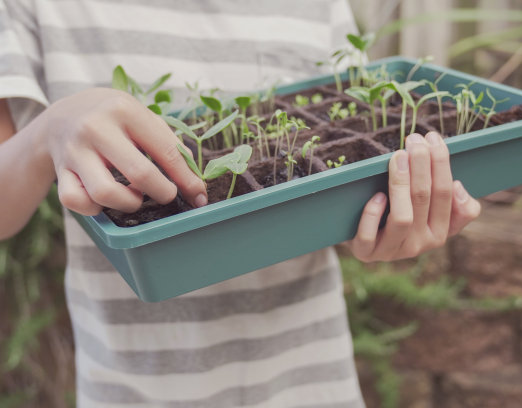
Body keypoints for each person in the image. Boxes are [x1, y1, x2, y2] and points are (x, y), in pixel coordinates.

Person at [0, 0, 481, 406]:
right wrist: (47, 131)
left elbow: (333, 184)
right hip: (133, 389)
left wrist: (383, 229)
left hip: (312, 381)